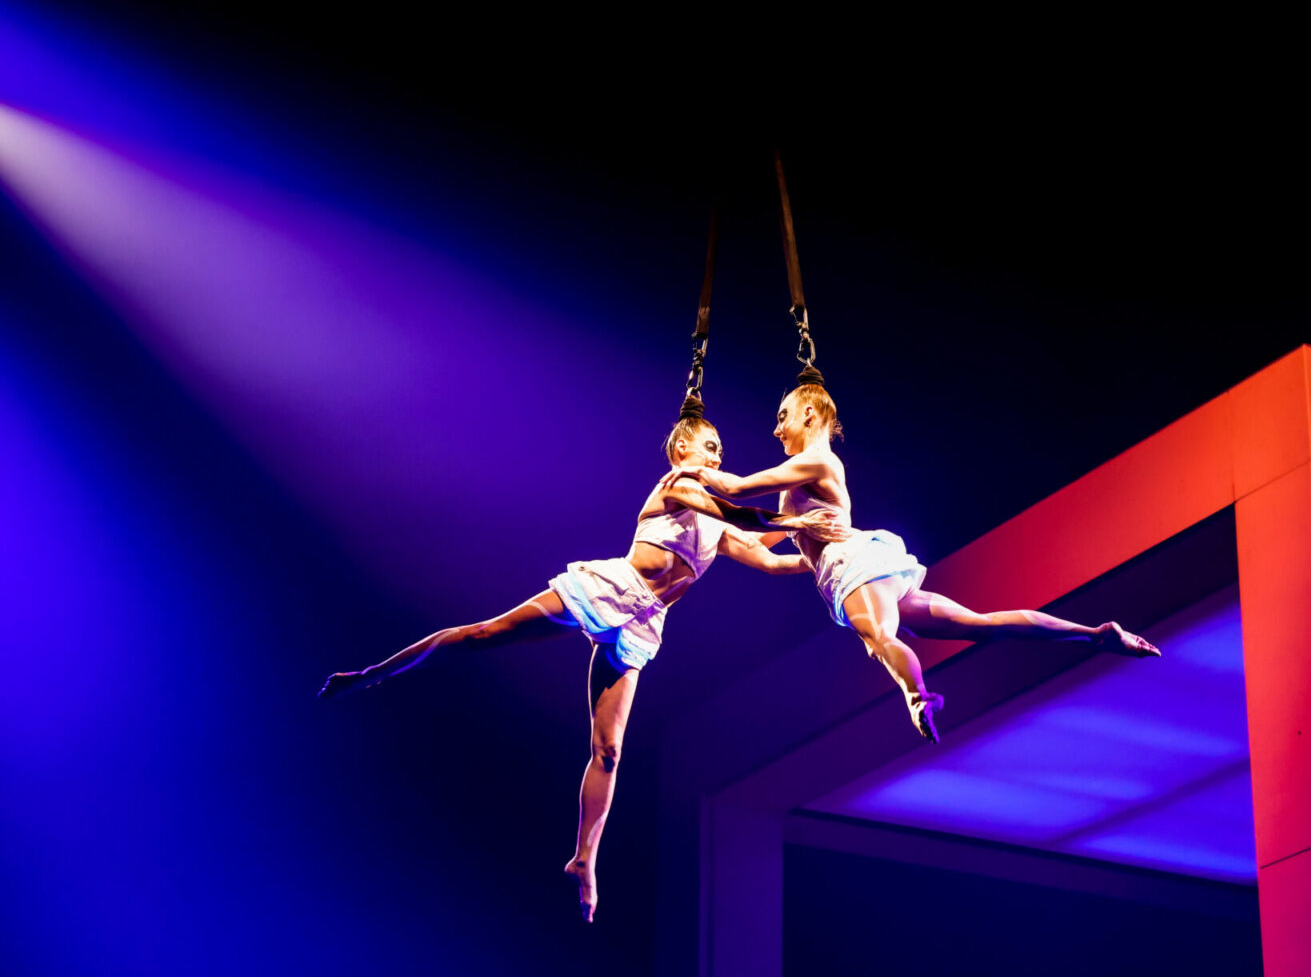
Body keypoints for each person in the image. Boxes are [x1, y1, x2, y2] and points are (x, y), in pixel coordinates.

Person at [319, 415, 847, 922]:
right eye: (708, 447)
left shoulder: (713, 522)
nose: (715, 455)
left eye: (719, 451)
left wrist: (823, 547)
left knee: (610, 751)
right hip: (609, 590)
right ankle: (375, 673)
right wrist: (792, 520)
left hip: (643, 625)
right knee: (483, 634)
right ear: (679, 450)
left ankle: (584, 860)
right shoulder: (676, 485)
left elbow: (769, 557)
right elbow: (742, 512)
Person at [664, 381, 1159, 744]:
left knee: (881, 640)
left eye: (784, 415)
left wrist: (692, 468)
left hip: (853, 569)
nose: (776, 428)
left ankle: (918, 696)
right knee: (980, 625)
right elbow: (770, 551)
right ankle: (1096, 635)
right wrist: (767, 532)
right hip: (859, 568)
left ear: (811, 415)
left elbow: (739, 488)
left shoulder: (817, 460)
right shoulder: (806, 478)